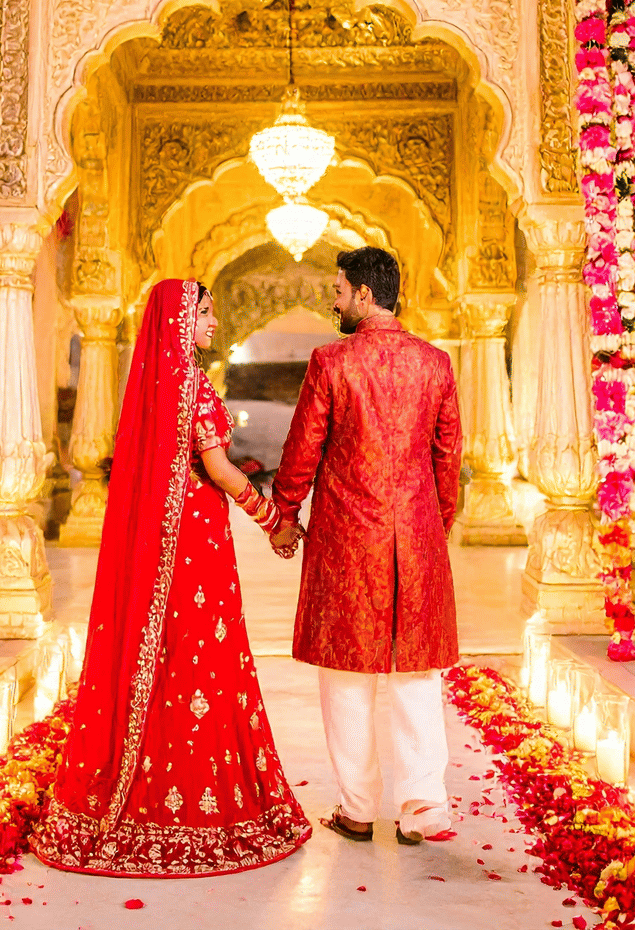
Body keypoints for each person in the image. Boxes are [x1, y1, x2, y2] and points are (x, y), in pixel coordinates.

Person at [30, 278, 312, 876]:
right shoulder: (193, 385)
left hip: (166, 542)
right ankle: (190, 797)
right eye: (205, 314)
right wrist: (272, 521)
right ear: (180, 322)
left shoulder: (160, 384)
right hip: (194, 547)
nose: (214, 323)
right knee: (197, 658)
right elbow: (219, 467)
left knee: (162, 655)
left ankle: (150, 773)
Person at [270, 246, 463, 846]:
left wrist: (284, 514)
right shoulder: (434, 364)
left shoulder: (331, 362)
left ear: (365, 294)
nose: (333, 300)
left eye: (337, 290)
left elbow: (303, 449)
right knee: (416, 672)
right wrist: (437, 522)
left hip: (347, 538)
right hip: (415, 535)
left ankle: (357, 809)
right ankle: (423, 807)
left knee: (347, 676)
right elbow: (448, 457)